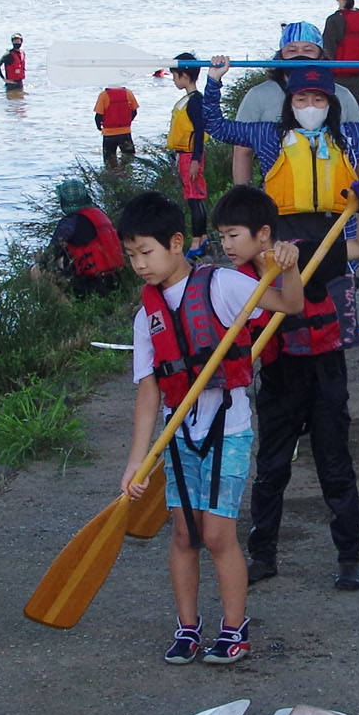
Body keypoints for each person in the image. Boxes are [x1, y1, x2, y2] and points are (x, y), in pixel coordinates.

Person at [119, 190, 303, 664]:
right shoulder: (147, 316)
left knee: (218, 535)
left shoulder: (221, 284)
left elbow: (291, 304)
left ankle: (234, 628)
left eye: (147, 252)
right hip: (178, 434)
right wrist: (137, 461)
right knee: (184, 534)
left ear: (176, 242)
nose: (140, 264)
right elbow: (148, 391)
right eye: (132, 255)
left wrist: (288, 264)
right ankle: (187, 628)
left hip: (229, 426)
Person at [211, 178, 359, 591]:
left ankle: (348, 558)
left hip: (324, 372)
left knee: (335, 467)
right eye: (222, 238)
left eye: (233, 236)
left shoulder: (308, 254)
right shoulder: (235, 280)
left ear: (263, 233)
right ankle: (263, 556)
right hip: (279, 377)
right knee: (271, 470)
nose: (227, 246)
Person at [200, 57, 359, 218]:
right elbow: (216, 126)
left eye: (319, 100)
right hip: (283, 232)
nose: (310, 107)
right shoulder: (268, 134)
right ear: (290, 104)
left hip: (338, 229)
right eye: (302, 100)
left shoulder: (350, 134)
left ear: (330, 105)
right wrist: (214, 81)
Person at [228, 24, 359, 186]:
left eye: (308, 50)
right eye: (291, 51)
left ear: (321, 56)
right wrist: (243, 200)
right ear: (280, 57)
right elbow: (243, 151)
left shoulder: (343, 96)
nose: (300, 55)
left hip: (334, 194)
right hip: (278, 196)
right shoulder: (258, 96)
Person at [48, 181, 126, 296]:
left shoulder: (69, 223)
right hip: (116, 281)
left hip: (90, 286)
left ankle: (68, 309)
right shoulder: (99, 214)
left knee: (37, 269)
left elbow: (49, 255)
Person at [163, 54, 211, 238]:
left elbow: (199, 130)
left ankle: (200, 239)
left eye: (175, 76)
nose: (174, 80)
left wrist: (196, 159)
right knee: (192, 197)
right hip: (185, 154)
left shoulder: (194, 101)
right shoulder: (190, 99)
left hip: (191, 155)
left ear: (184, 75)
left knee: (195, 197)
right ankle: (201, 238)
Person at [94, 82, 139, 171]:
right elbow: (134, 111)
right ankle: (127, 177)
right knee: (129, 159)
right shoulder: (128, 93)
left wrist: (99, 127)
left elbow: (98, 116)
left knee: (109, 162)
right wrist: (127, 122)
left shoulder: (103, 95)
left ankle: (112, 178)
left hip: (109, 134)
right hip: (125, 133)